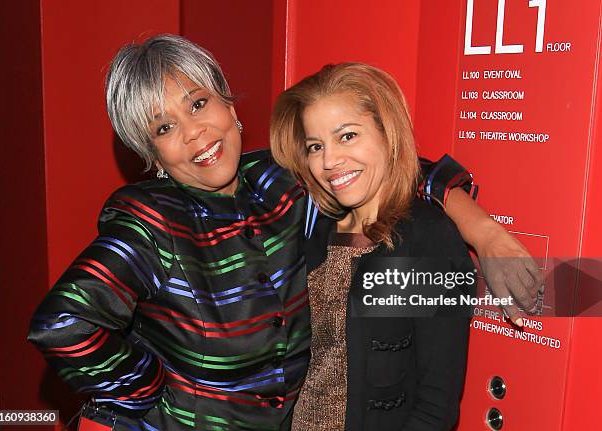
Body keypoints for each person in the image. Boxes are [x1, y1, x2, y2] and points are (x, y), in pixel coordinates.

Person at [28, 35, 538, 430]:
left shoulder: (277, 180)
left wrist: (485, 231)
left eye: (199, 104)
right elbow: (62, 324)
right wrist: (155, 393)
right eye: (163, 129)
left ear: (228, 104)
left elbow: (388, 168)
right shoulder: (149, 218)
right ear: (152, 154)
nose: (194, 133)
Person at [270, 62, 477, 429]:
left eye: (347, 136)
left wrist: (485, 229)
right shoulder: (313, 229)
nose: (330, 161)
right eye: (315, 146)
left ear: (387, 133)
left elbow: (436, 405)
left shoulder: (428, 237)